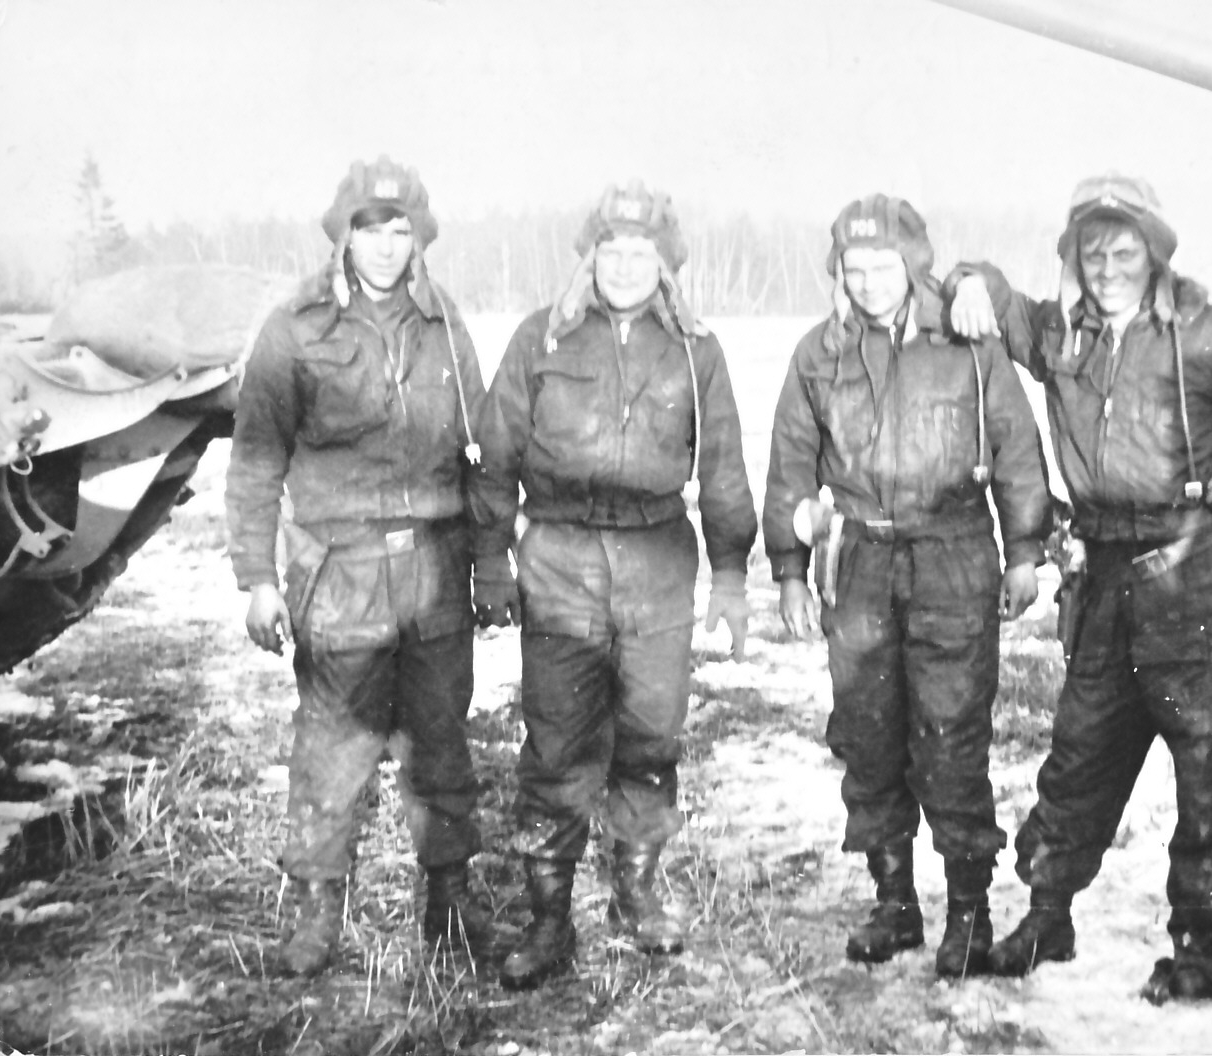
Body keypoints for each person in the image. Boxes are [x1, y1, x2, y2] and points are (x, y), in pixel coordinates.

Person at [945, 173, 1212, 1002]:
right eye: (1092, 253)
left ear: (1155, 255)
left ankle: (1197, 948)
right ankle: (1048, 915)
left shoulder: (1206, 334)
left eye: (1125, 252)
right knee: (1081, 751)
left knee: (1209, 767)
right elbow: (991, 294)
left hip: (1201, 575)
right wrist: (968, 279)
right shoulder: (1061, 335)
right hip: (1106, 577)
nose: (1108, 268)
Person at [472, 181, 758, 989]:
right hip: (559, 559)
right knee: (557, 742)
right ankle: (549, 918)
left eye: (643, 252)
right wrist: (490, 559)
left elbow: (723, 468)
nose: (626, 264)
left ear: (666, 264)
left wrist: (731, 574)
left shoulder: (696, 351)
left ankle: (636, 891)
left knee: (650, 735)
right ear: (589, 257)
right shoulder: (541, 338)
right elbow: (495, 455)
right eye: (612, 249)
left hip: (657, 562)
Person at [761, 194, 1051, 979]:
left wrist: (1024, 551)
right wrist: (789, 571)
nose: (869, 282)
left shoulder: (967, 343)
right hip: (858, 559)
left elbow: (1017, 448)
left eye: (883, 266)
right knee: (868, 734)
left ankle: (969, 911)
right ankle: (895, 904)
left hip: (952, 554)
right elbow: (790, 462)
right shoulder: (820, 353)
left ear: (915, 265)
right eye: (853, 269)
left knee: (951, 735)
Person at [226, 156, 493, 976]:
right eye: (369, 229)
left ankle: (448, 900)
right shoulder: (294, 328)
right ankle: (316, 912)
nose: (384, 245)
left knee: (440, 741)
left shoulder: (444, 323)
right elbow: (256, 462)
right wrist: (258, 578)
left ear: (419, 239)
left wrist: (492, 565)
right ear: (343, 235)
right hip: (339, 575)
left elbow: (480, 453)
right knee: (332, 750)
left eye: (400, 230)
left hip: (435, 572)